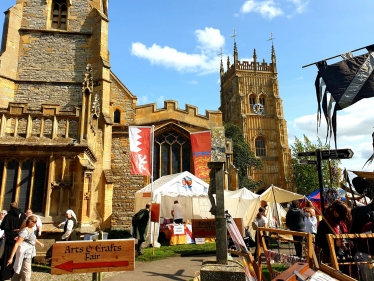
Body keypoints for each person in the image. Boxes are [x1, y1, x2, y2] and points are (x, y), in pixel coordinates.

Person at [6, 215, 44, 281]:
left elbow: (32, 239)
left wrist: (39, 243)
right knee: (27, 273)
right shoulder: (24, 231)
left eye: (36, 222)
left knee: (19, 271)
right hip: (24, 254)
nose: (36, 224)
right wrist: (11, 258)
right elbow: (16, 244)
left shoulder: (31, 229)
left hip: (29, 253)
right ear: (30, 222)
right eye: (35, 222)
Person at [0, 202, 27, 281]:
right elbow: (25, 228)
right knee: (17, 256)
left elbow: (6, 229)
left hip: (10, 240)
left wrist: (12, 236)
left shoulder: (8, 216)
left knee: (7, 257)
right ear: (17, 206)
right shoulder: (23, 215)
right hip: (20, 239)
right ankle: (15, 274)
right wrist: (18, 235)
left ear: (10, 207)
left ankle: (6, 275)